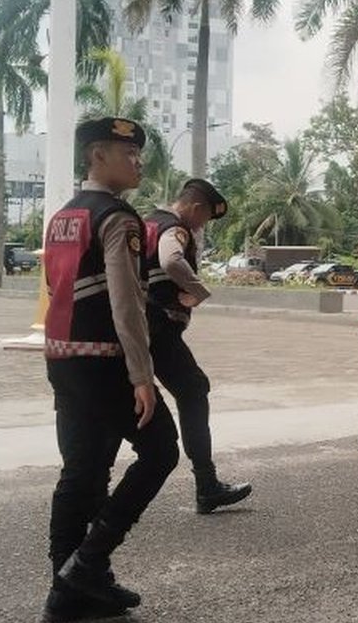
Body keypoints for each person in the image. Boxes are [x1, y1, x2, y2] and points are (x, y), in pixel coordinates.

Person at [42, 117, 180, 621]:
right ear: (97, 156)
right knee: (162, 450)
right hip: (105, 360)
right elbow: (126, 303)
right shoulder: (118, 218)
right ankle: (89, 564)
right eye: (129, 153)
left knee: (82, 469)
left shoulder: (63, 215)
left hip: (63, 357)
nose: (138, 161)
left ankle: (67, 589)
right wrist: (141, 375)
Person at [143, 178, 252, 514]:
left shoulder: (146, 221)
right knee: (193, 391)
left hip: (138, 325)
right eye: (205, 218)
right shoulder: (175, 229)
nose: (202, 225)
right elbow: (172, 261)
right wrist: (201, 291)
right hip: (158, 326)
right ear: (196, 207)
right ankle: (206, 485)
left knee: (134, 399)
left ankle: (95, 488)